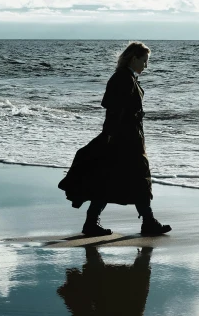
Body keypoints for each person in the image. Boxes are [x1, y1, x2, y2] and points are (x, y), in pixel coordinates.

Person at [58, 41, 171, 237]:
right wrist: (110, 136)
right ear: (134, 58)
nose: (146, 66)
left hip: (127, 136)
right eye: (144, 61)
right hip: (125, 139)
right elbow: (113, 110)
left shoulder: (127, 78)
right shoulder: (122, 79)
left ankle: (93, 223)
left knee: (108, 179)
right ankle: (148, 222)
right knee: (139, 179)